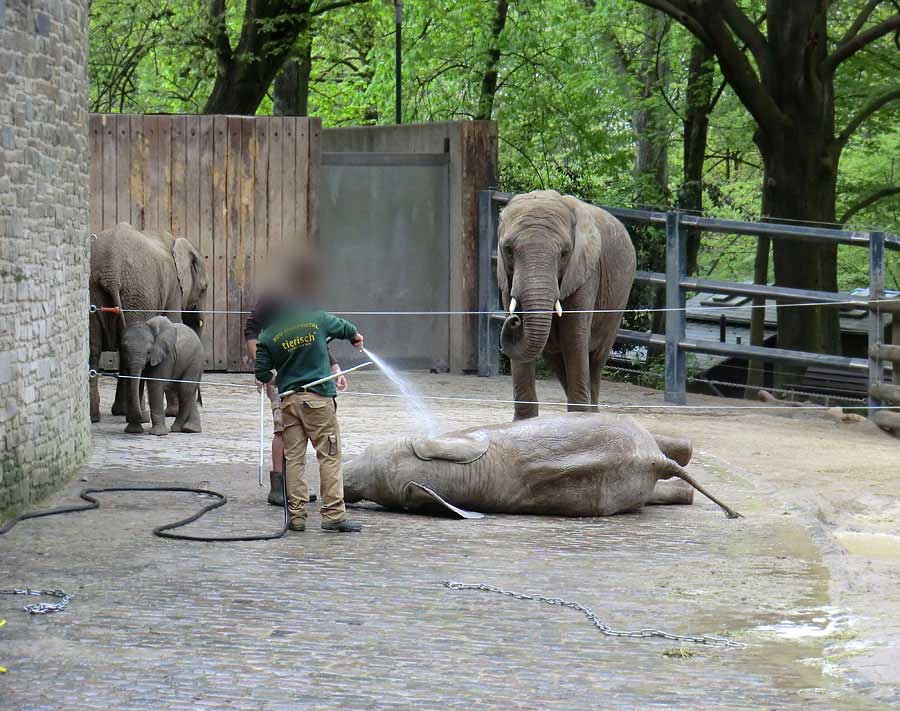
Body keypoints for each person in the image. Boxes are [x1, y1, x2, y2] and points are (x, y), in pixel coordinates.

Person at [254, 299, 365, 533]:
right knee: (329, 456)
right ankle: (333, 515)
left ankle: (296, 517)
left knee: (294, 459)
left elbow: (262, 372)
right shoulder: (316, 319)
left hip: (290, 403)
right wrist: (355, 337)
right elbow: (344, 328)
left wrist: (280, 379)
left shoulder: (267, 337)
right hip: (318, 401)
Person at [245, 296, 347, 506]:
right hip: (281, 375)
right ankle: (278, 488)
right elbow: (252, 332)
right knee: (281, 430)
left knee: (296, 444)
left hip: (305, 380)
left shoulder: (308, 303)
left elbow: (316, 339)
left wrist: (335, 369)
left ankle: (294, 498)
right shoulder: (272, 300)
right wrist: (264, 370)